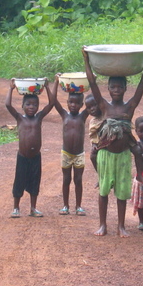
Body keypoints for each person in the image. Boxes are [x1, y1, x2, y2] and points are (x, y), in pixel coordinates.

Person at [83, 45, 143, 237]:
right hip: (105, 155)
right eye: (113, 87)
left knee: (121, 194)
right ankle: (102, 225)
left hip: (123, 157)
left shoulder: (130, 106)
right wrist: (86, 59)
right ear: (108, 88)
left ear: (124, 88)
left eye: (120, 87)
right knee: (104, 192)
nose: (116, 90)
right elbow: (92, 82)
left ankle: (121, 226)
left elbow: (142, 84)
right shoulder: (103, 106)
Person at [5, 78, 58, 218]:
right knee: (19, 181)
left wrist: (47, 87)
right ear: (22, 106)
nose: (31, 107)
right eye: (28, 104)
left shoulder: (39, 118)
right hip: (22, 156)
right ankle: (16, 208)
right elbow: (7, 105)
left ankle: (33, 208)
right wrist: (11, 88)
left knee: (35, 182)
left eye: (35, 105)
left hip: (36, 157)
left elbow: (52, 103)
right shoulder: (19, 118)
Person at [53, 74, 90, 216]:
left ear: (82, 105)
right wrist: (56, 82)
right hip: (66, 153)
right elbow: (53, 101)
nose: (73, 105)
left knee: (78, 180)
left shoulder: (83, 116)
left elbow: (96, 100)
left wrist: (93, 82)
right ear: (67, 102)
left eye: (76, 103)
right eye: (70, 102)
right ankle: (65, 205)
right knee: (66, 179)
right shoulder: (64, 115)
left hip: (79, 154)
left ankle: (79, 206)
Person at [85, 94, 103, 189]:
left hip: (110, 143)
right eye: (89, 108)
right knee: (92, 156)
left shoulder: (106, 114)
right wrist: (93, 145)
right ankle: (100, 176)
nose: (92, 109)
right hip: (99, 144)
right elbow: (92, 136)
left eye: (94, 105)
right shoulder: (92, 121)